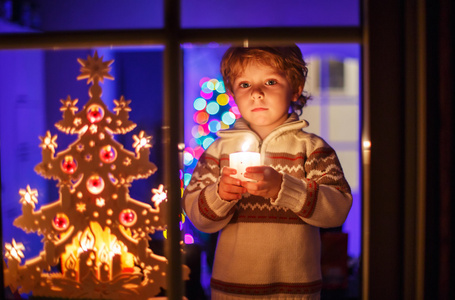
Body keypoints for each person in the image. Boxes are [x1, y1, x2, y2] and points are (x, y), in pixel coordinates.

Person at [183, 45, 352, 299]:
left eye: (270, 81)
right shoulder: (218, 152)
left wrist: (284, 188)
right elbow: (198, 218)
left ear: (295, 87)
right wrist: (220, 195)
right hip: (232, 291)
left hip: (295, 292)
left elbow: (337, 210)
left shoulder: (312, 149)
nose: (257, 93)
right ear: (231, 94)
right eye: (244, 85)